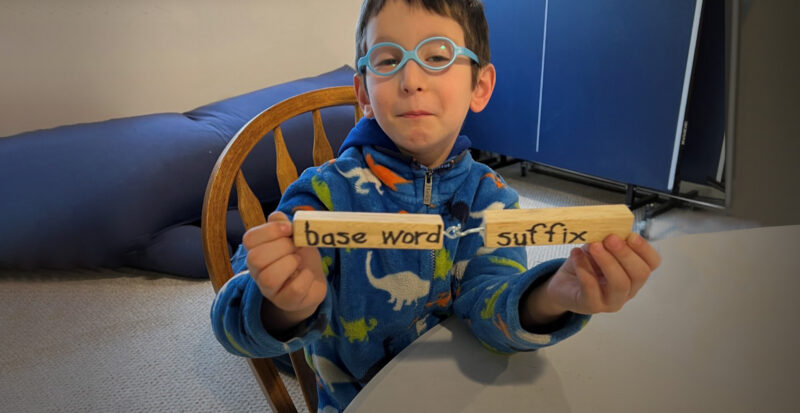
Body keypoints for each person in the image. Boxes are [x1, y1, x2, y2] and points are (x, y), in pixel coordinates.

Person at [211, 0, 661, 411]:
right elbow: (231, 324)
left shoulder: (491, 198)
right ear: (364, 93)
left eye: (437, 55)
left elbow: (490, 307)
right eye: (387, 60)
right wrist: (283, 304)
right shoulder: (323, 197)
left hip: (465, 394)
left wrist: (553, 296)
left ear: (479, 86)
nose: (411, 81)